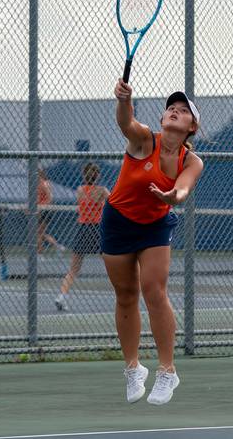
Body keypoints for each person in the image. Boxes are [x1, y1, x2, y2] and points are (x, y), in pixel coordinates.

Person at [102, 79, 204, 405]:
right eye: (171, 108)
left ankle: (167, 371)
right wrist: (124, 100)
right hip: (117, 221)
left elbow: (184, 188)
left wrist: (174, 195)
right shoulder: (145, 140)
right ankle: (133, 368)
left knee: (153, 290)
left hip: (156, 225)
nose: (175, 111)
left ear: (192, 126)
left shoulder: (192, 161)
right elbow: (125, 122)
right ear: (162, 120)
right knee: (126, 293)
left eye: (183, 110)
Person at [55, 163, 109, 311]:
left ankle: (61, 296)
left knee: (73, 270)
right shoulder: (102, 191)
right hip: (97, 230)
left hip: (83, 229)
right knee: (112, 265)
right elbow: (113, 204)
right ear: (97, 176)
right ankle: (125, 293)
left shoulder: (80, 190)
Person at [37, 169, 65, 253]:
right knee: (39, 233)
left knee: (38, 233)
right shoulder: (37, 184)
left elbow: (50, 198)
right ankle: (56, 246)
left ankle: (39, 252)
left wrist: (41, 208)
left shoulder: (44, 183)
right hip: (40, 209)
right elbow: (38, 199)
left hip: (45, 210)